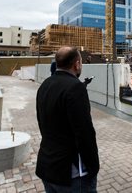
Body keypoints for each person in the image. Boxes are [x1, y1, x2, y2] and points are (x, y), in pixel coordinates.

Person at [36, 46, 99, 192]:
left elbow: (42, 122)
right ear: (77, 64)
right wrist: (93, 167)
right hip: (71, 175)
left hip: (47, 167)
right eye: (81, 62)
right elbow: (85, 134)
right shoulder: (76, 87)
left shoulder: (45, 85)